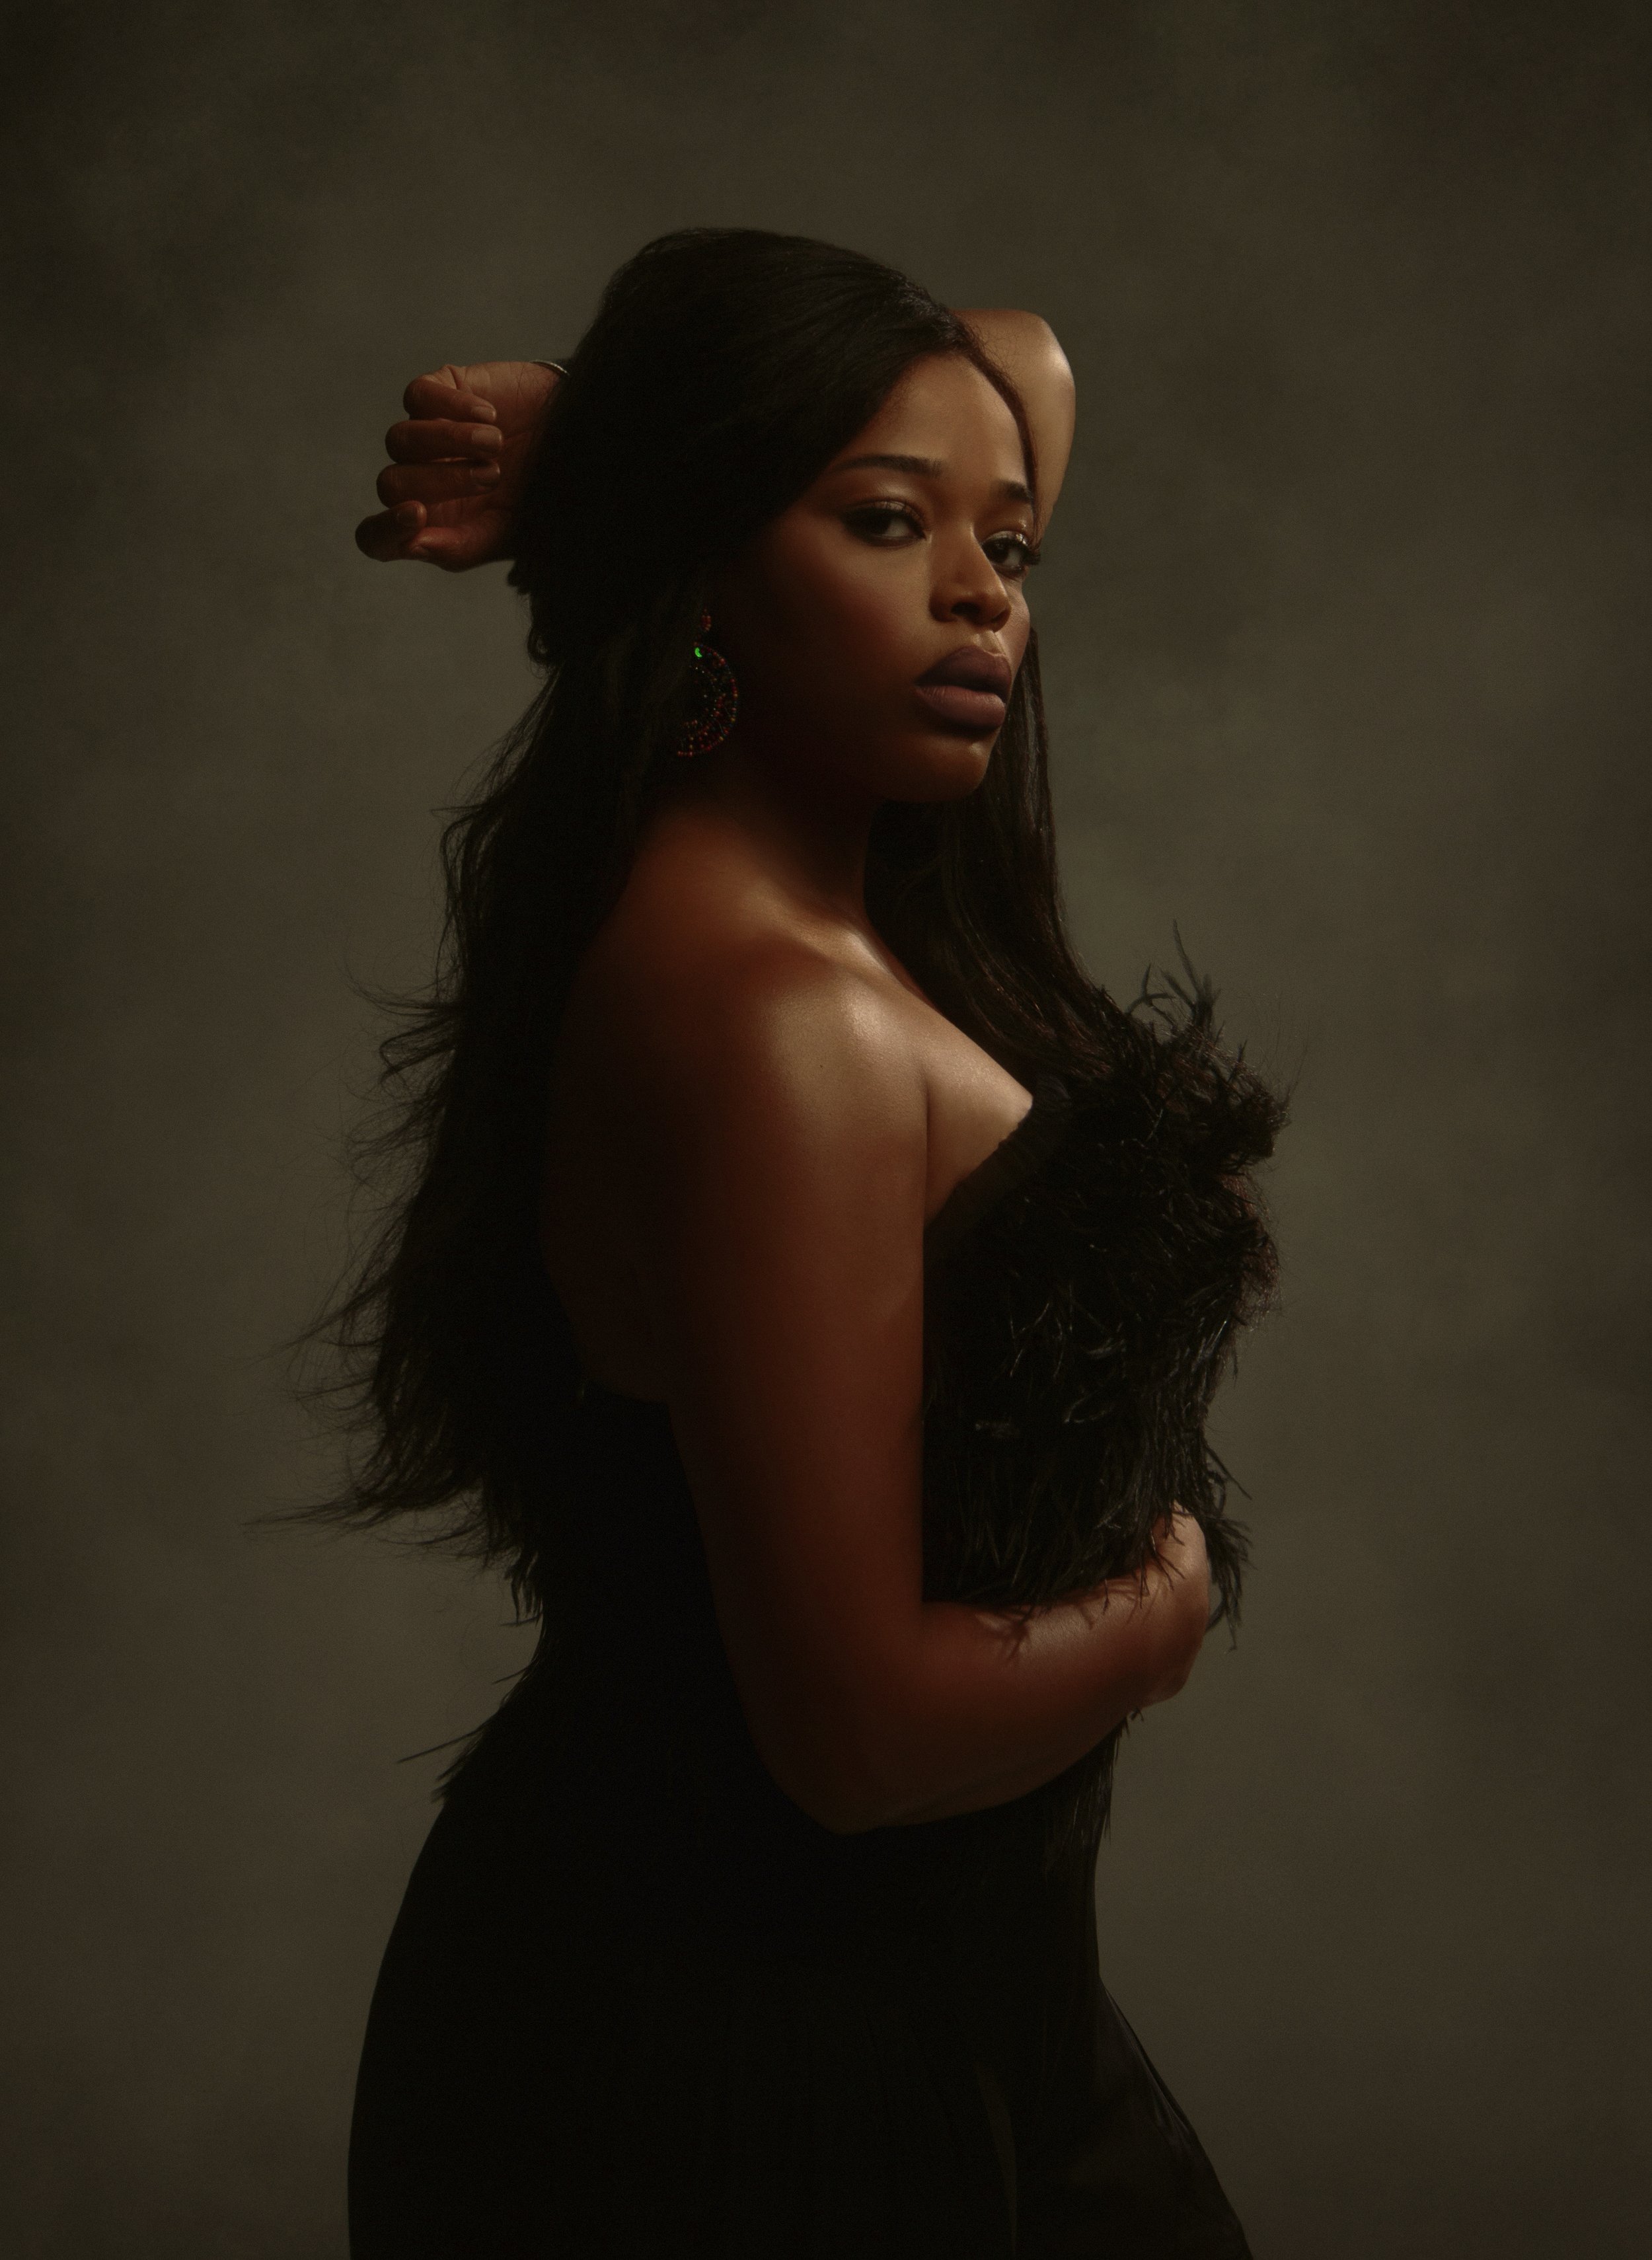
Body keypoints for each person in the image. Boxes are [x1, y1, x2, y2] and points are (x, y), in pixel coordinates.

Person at [331, 227, 1284, 2258]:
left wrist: (618, 440)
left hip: (900, 2007)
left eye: (1005, 548)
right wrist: (1159, 1614)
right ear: (705, 577)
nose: (983, 593)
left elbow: (1020, 357)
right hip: (738, 2074)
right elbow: (855, 1740)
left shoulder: (741, 934)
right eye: (883, 523)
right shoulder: (786, 1028)